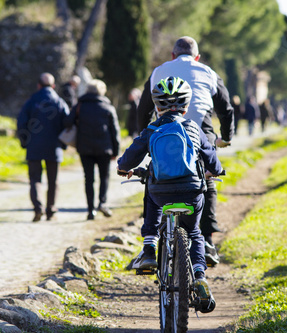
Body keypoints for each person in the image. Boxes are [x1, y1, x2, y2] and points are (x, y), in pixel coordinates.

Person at [118, 76, 222, 313]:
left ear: (157, 106)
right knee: (194, 231)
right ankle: (199, 276)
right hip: (191, 190)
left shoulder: (152, 129)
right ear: (186, 106)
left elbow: (128, 159)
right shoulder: (194, 128)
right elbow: (213, 163)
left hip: (160, 192)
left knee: (151, 194)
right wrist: (215, 171)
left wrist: (124, 168)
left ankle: (148, 250)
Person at [136, 36, 234, 267]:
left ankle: (149, 244)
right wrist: (226, 138)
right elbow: (226, 108)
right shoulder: (209, 72)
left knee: (154, 177)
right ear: (197, 57)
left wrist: (145, 139)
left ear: (172, 55)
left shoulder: (159, 71)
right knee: (207, 178)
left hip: (163, 134)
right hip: (200, 133)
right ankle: (207, 240)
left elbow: (143, 109)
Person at [64, 79, 120, 220]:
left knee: (88, 179)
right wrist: (116, 151)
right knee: (104, 177)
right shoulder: (107, 107)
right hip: (105, 149)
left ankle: (90, 210)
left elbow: (67, 122)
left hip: (85, 148)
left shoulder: (80, 105)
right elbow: (115, 131)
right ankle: (102, 203)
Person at [17, 73, 70, 222]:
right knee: (53, 181)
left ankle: (37, 208)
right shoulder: (59, 102)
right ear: (53, 86)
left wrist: (24, 141)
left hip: (34, 146)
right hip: (54, 147)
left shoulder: (31, 101)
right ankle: (51, 211)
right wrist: (63, 144)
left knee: (35, 179)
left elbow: (21, 122)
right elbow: (67, 123)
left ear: (38, 85)